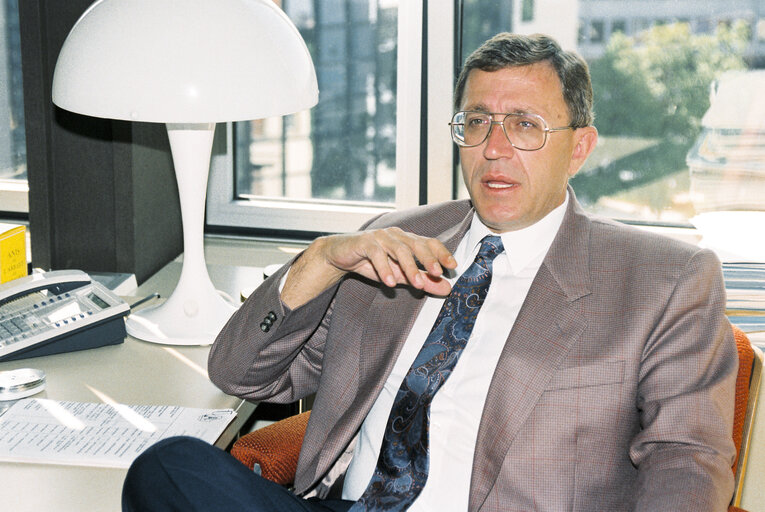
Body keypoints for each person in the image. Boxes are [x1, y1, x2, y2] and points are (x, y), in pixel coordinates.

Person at [122, 33, 737, 512]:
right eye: (475, 123)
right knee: (170, 466)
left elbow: (686, 460)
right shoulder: (397, 237)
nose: (494, 148)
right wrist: (320, 261)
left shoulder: (664, 279)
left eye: (525, 125)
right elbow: (240, 374)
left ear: (579, 147)